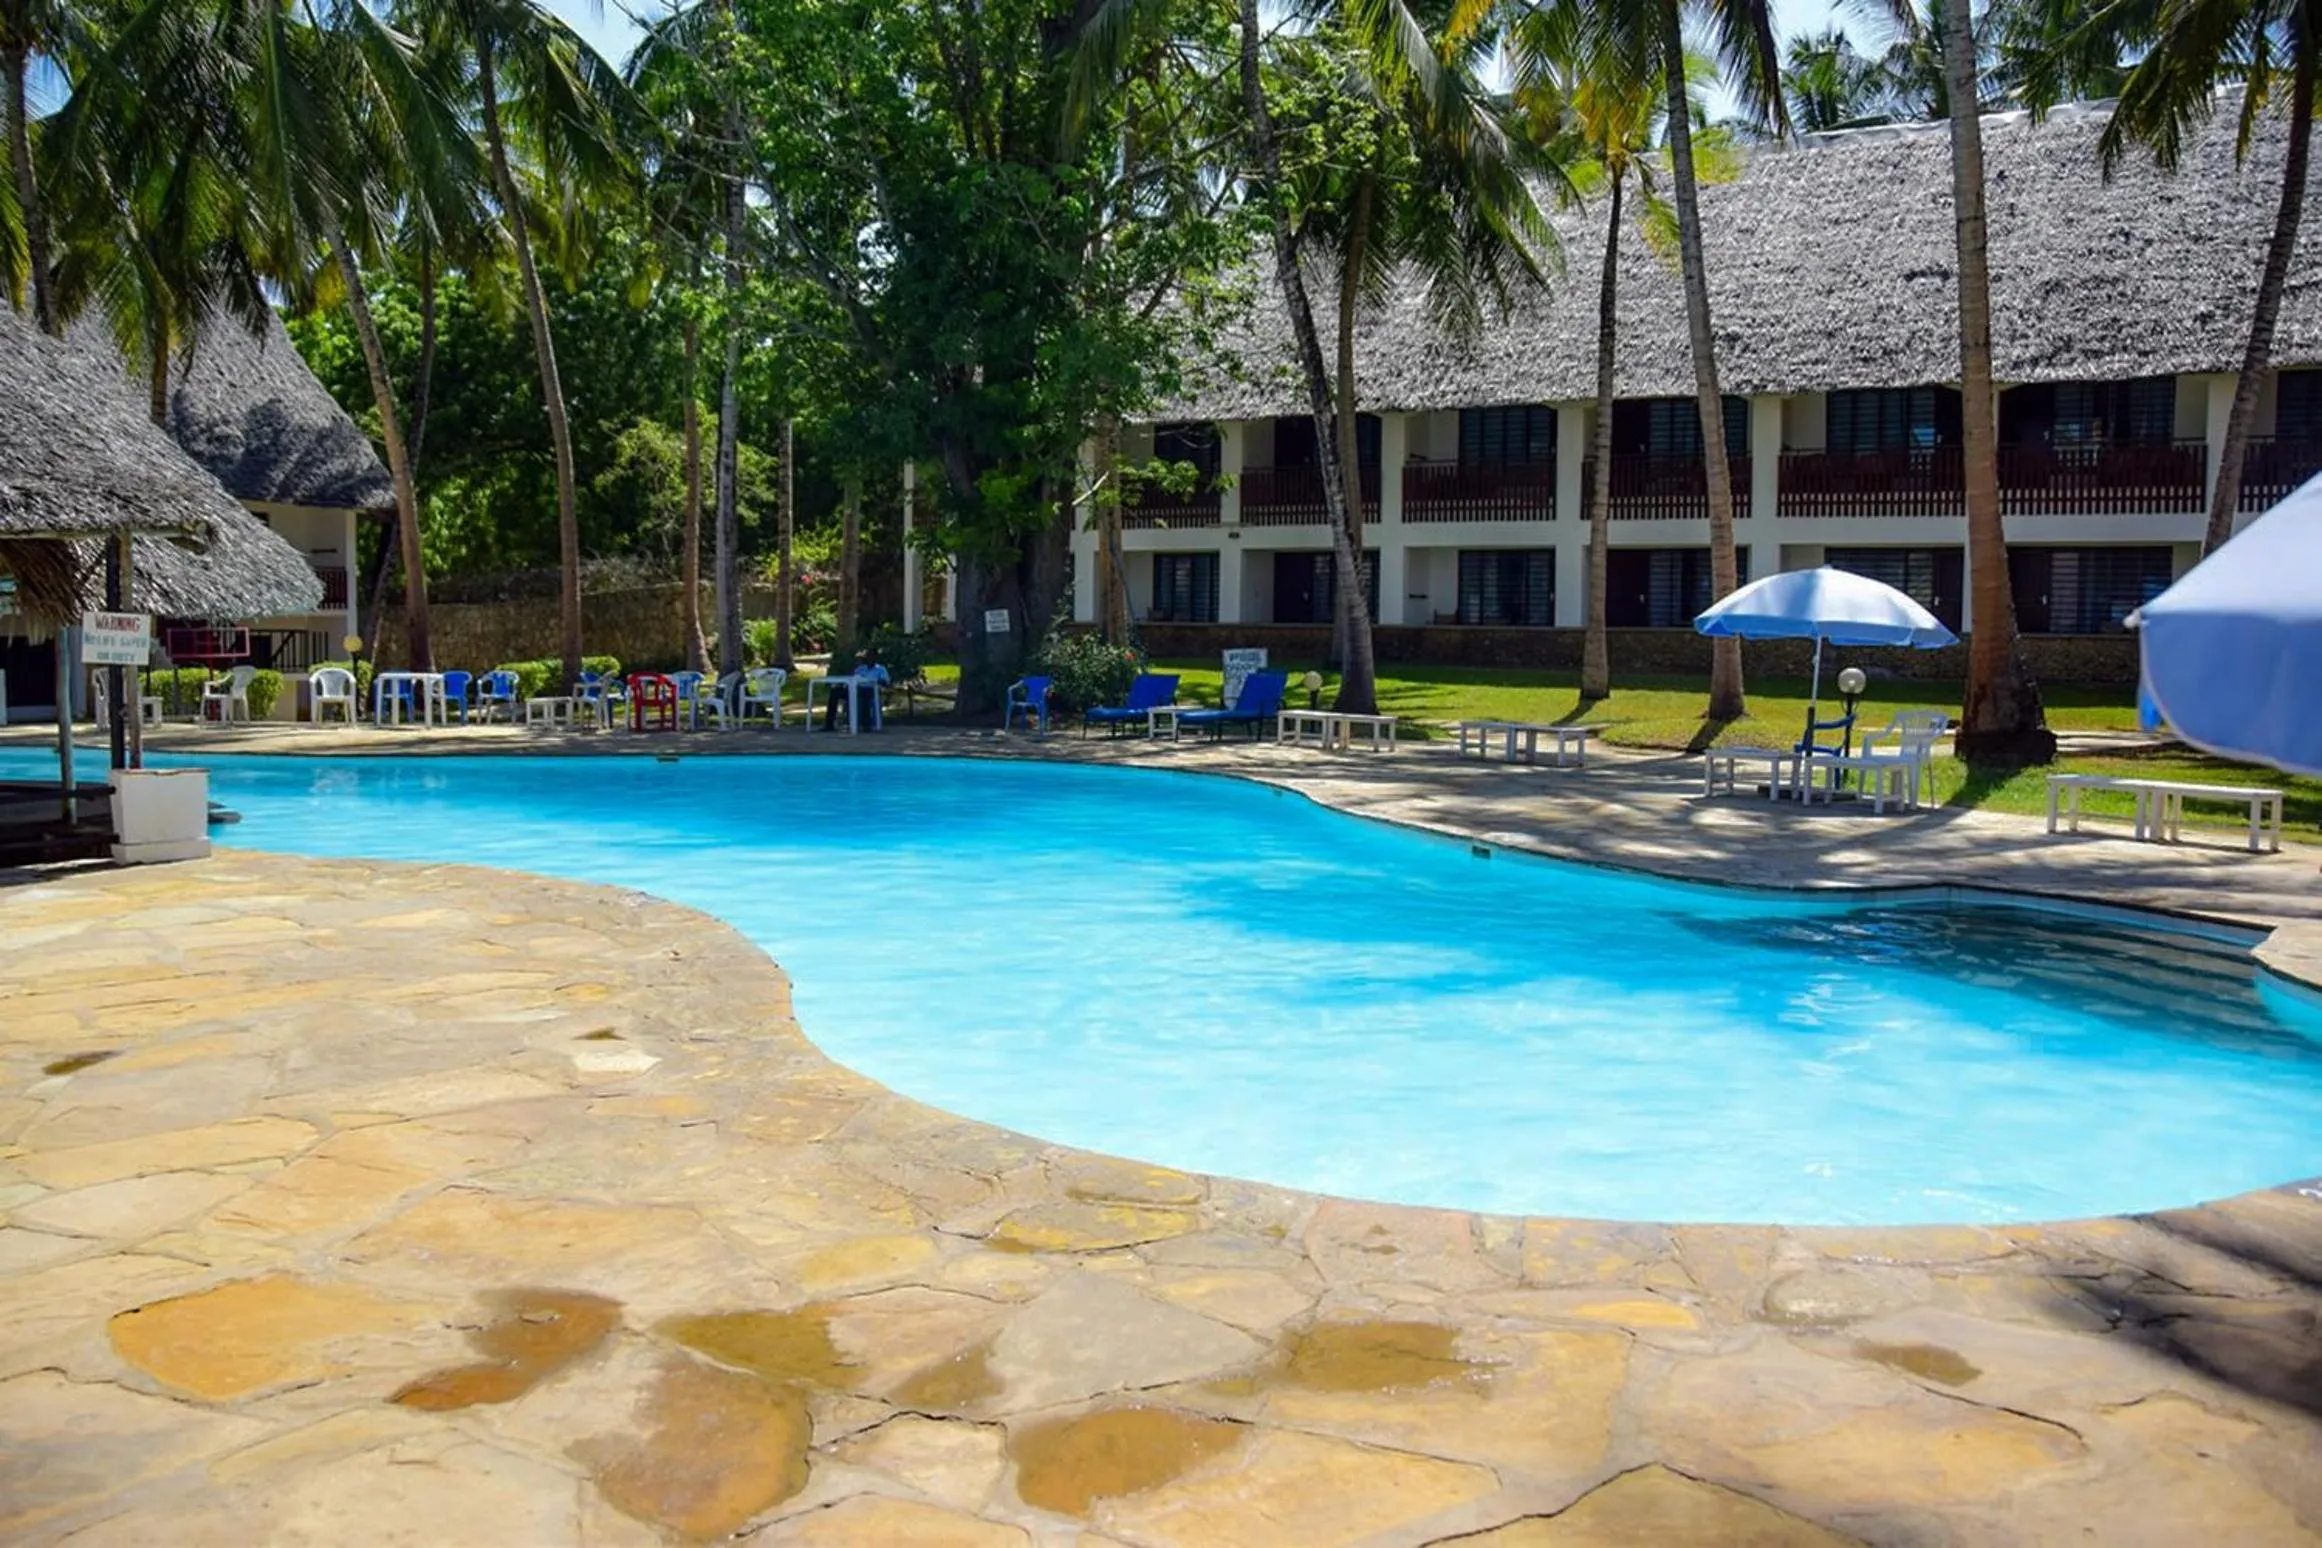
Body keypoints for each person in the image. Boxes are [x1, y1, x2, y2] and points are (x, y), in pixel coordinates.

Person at [822, 648, 889, 731]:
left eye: (871, 656)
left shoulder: (880, 669)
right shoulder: (861, 668)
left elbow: (886, 682)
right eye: (867, 656)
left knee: (864, 696)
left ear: (875, 658)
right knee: (835, 692)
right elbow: (852, 677)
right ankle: (829, 724)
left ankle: (866, 725)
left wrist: (875, 681)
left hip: (870, 690)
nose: (869, 658)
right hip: (855, 688)